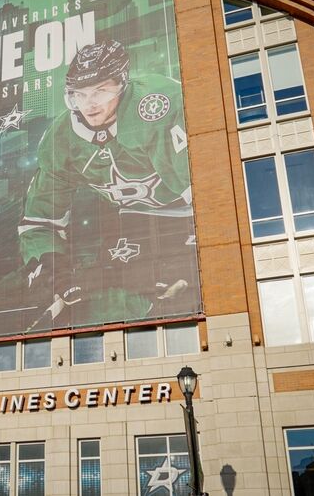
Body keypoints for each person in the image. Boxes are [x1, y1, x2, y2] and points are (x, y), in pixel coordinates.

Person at [19, 40, 195, 324]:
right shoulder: (61, 137)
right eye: (80, 94)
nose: (89, 103)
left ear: (122, 83)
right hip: (132, 217)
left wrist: (194, 256)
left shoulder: (155, 105)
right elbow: (40, 220)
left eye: (100, 90)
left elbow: (202, 192)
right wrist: (53, 269)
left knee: (182, 296)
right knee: (113, 304)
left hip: (187, 213)